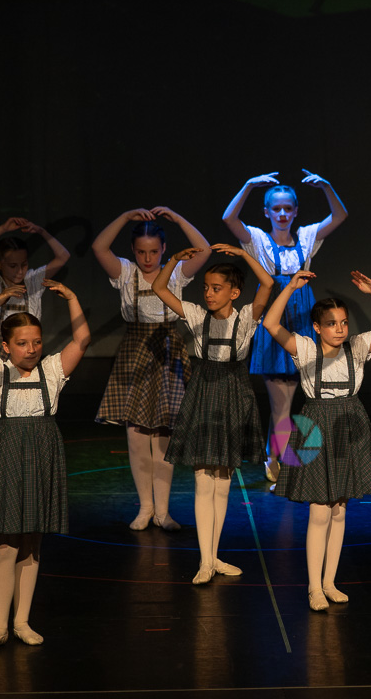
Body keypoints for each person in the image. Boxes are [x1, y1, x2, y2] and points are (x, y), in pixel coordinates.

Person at [0, 279, 90, 650]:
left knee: (31, 544)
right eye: (22, 343)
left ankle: (22, 622)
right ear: (6, 346)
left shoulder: (52, 370)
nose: (31, 349)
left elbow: (81, 340)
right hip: (7, 454)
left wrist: (73, 297)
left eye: (36, 342)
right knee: (4, 546)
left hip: (43, 452)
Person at [263, 268, 371, 611]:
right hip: (315, 426)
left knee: (339, 509)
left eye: (343, 322)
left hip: (350, 424)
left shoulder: (358, 348)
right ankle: (314, 587)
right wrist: (289, 288)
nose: (339, 329)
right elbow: (271, 324)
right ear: (316, 327)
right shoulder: (306, 349)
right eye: (331, 324)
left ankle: (330, 582)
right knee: (319, 510)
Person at [152, 244, 273, 584]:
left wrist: (243, 255)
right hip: (204, 393)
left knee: (223, 481)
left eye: (216, 288)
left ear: (234, 292)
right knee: (203, 478)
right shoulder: (195, 315)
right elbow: (160, 288)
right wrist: (173, 260)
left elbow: (267, 283)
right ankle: (205, 561)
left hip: (234, 395)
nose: (208, 293)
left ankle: (214, 557)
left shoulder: (245, 318)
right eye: (205, 287)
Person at [222, 171, 348, 485]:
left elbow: (339, 215)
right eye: (276, 208)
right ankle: (276, 460)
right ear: (266, 212)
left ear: (295, 211)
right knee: (282, 402)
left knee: (295, 401)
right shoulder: (257, 240)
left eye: (287, 208)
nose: (282, 214)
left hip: (303, 321)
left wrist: (326, 186)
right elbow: (229, 219)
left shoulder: (306, 237)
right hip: (275, 321)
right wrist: (249, 185)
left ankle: (276, 455)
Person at [92, 207, 211, 531]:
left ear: (163, 249)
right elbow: (99, 248)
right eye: (142, 252)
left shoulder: (176, 272)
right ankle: (145, 507)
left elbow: (205, 250)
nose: (147, 258)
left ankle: (163, 511)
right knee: (136, 437)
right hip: (135, 351)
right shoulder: (125, 272)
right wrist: (124, 217)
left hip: (168, 350)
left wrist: (178, 218)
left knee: (163, 438)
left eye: (154, 252)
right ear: (133, 250)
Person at [0, 216, 70, 422]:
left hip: (27, 353)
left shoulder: (33, 280)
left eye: (24, 264)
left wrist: (41, 231)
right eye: (12, 265)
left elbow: (63, 256)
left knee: (28, 405)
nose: (20, 270)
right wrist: (2, 228)